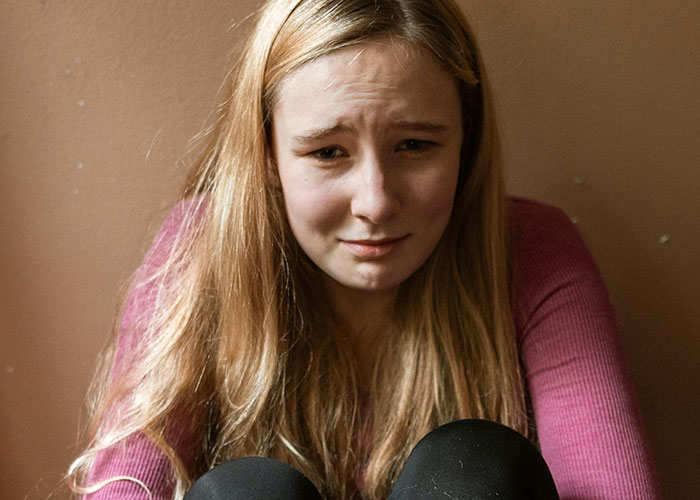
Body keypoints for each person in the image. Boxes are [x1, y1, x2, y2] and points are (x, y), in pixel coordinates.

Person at [67, 0, 661, 499]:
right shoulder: (203, 252)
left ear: (466, 143)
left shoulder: (531, 251)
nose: (375, 202)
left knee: (473, 471)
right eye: (328, 152)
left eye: (414, 144)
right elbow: (126, 478)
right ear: (267, 153)